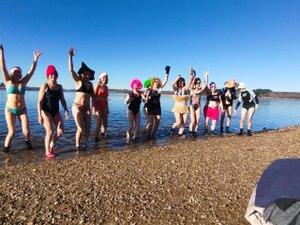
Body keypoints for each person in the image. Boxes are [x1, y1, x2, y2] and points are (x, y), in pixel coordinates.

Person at [0, 44, 42, 152]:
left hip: (22, 110)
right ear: (12, 73)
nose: (17, 73)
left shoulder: (23, 82)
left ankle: (28, 146)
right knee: (12, 132)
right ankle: (6, 149)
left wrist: (35, 59)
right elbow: (3, 66)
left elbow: (31, 71)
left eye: (19, 72)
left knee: (26, 132)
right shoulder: (8, 82)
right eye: (15, 72)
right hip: (10, 110)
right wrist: (1, 51)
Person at [37, 65, 69, 158]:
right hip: (45, 111)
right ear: (48, 76)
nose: (53, 76)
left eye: (54, 74)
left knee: (61, 130)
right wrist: (39, 115)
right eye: (51, 74)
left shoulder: (59, 87)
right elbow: (39, 102)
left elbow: (62, 99)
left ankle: (51, 144)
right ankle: (47, 151)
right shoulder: (45, 86)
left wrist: (66, 109)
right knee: (50, 131)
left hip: (55, 111)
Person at [68, 47, 95, 150]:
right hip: (77, 106)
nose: (86, 75)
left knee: (88, 128)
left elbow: (93, 96)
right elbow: (71, 70)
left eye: (88, 74)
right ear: (81, 74)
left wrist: (102, 99)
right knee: (80, 128)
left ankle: (84, 143)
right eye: (85, 73)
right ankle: (77, 146)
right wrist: (70, 57)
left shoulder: (90, 84)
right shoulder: (78, 82)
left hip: (87, 107)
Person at [145, 66, 170, 139]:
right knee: (151, 123)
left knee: (158, 122)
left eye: (158, 82)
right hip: (151, 107)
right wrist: (149, 96)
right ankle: (147, 136)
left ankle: (153, 135)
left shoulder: (159, 89)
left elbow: (165, 80)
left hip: (157, 107)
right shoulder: (149, 89)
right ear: (153, 83)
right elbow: (146, 100)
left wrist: (167, 72)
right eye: (156, 82)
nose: (157, 83)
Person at [188, 68, 208, 137]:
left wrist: (206, 76)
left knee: (198, 121)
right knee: (193, 120)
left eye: (199, 83)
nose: (198, 84)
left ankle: (195, 132)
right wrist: (194, 74)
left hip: (198, 106)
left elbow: (205, 84)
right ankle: (191, 132)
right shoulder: (191, 90)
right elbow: (191, 84)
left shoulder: (200, 90)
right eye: (197, 83)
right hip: (192, 106)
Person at [169, 72, 189, 137]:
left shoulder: (185, 89)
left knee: (184, 123)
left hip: (185, 108)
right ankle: (172, 129)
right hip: (177, 107)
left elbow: (190, 81)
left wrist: (192, 74)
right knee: (178, 122)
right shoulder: (176, 89)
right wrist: (178, 78)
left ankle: (179, 135)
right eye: (180, 81)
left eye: (183, 81)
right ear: (178, 82)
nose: (182, 83)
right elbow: (172, 84)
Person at [124, 78, 144, 143]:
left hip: (137, 110)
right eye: (135, 85)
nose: (136, 86)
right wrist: (129, 100)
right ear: (133, 85)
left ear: (139, 86)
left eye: (137, 85)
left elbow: (144, 99)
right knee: (131, 125)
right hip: (130, 110)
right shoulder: (130, 93)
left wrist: (146, 99)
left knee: (138, 125)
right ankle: (128, 138)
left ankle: (135, 138)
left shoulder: (140, 93)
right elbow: (125, 102)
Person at [92, 72, 109, 142]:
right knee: (98, 124)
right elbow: (93, 97)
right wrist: (93, 108)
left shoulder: (106, 87)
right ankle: (96, 139)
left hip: (104, 106)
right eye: (103, 77)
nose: (105, 78)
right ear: (100, 78)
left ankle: (102, 136)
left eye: (106, 77)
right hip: (97, 106)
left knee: (105, 124)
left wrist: (107, 108)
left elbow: (106, 99)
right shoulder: (97, 86)